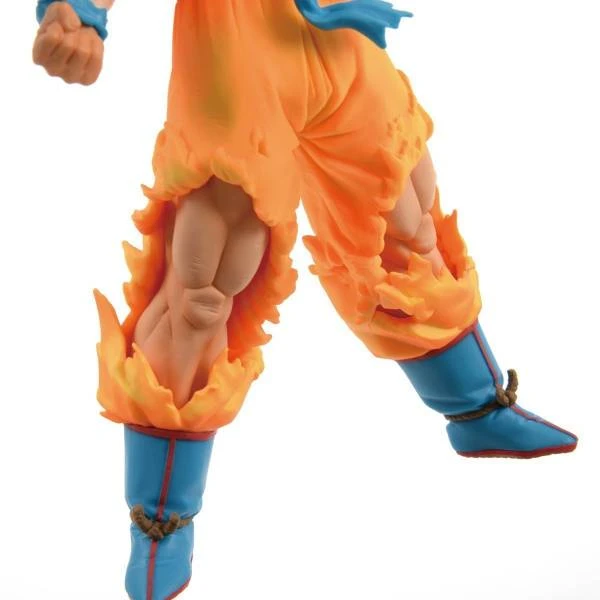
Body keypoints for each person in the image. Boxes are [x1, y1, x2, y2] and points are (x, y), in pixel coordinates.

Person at [32, 1, 578, 598]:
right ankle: (161, 517)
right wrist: (78, 10)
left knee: (406, 216)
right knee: (205, 280)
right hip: (238, 43)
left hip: (340, 34)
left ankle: (477, 408)